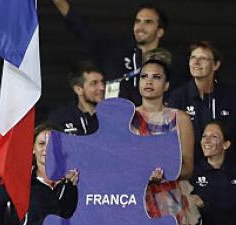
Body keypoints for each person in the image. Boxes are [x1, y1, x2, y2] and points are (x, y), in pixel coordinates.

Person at [50, 0, 186, 101]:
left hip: (153, 129)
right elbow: (80, 26)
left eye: (148, 22)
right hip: (115, 127)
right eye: (138, 21)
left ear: (160, 31)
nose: (140, 27)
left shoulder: (173, 63)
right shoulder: (114, 53)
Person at [166, 41, 236, 179]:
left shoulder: (233, 96)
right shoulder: (177, 97)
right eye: (193, 58)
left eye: (203, 58)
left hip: (229, 171)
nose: (196, 62)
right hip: (191, 173)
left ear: (216, 65)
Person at [130, 59, 197, 225]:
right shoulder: (126, 117)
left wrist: (164, 173)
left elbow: (188, 167)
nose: (149, 81)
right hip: (134, 201)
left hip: (171, 202)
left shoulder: (180, 118)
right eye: (144, 76)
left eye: (156, 77)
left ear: (166, 85)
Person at [0, 124, 79, 225]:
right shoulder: (20, 182)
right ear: (33, 149)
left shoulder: (69, 182)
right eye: (41, 143)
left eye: (51, 144)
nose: (46, 148)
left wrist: (68, 185)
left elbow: (69, 215)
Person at [191, 120, 236, 225]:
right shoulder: (192, 174)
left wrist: (205, 204)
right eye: (204, 136)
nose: (207, 141)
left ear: (226, 144)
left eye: (214, 137)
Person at [48, 62, 104, 136]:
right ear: (78, 90)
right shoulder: (60, 119)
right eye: (94, 83)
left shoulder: (114, 116)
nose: (102, 87)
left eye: (102, 82)